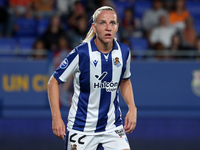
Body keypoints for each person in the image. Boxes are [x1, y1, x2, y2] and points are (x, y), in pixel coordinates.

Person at [47, 6, 137, 150]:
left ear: (117, 27)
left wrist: (132, 108)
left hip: (112, 127)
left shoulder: (124, 51)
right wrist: (56, 118)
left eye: (112, 23)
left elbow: (125, 80)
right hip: (81, 128)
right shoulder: (81, 53)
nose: (108, 28)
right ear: (94, 28)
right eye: (103, 23)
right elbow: (53, 82)